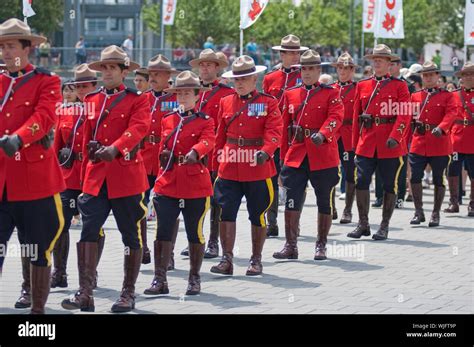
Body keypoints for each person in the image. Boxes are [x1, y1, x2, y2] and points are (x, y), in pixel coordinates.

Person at [61, 45, 150, 313]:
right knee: (88, 232)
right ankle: (85, 292)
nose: (108, 72)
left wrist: (117, 147)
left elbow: (140, 128)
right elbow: (87, 137)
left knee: (130, 237)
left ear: (124, 71)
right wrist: (88, 157)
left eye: (113, 68)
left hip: (126, 176)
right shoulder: (92, 100)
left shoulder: (138, 99)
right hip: (96, 177)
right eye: (104, 68)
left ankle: (128, 293)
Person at [0, 18, 65, 313]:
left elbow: (44, 117)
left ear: (27, 48)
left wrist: (19, 137)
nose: (4, 51)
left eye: (11, 45)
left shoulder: (46, 80)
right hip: (2, 182)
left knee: (38, 249)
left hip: (34, 181)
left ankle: (37, 312)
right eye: (1, 46)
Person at [144, 71, 215, 296]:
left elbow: (208, 140)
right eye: (180, 93)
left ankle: (194, 279)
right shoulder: (168, 120)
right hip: (169, 181)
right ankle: (160, 279)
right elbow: (160, 151)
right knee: (162, 231)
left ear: (197, 96)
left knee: (195, 232)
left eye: (187, 92)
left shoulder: (205, 120)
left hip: (195, 183)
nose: (183, 96)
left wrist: (196, 151)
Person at [211, 55, 282, 276]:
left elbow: (274, 132)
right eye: (236, 79)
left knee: (257, 214)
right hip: (230, 166)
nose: (239, 83)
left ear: (255, 78)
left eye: (244, 78)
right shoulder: (225, 102)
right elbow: (219, 136)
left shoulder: (268, 103)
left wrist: (266, 152)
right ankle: (227, 259)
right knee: (226, 212)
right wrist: (215, 163)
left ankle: (256, 259)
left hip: (257, 166)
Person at [273, 50, 343, 260]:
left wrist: (323, 133)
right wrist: (283, 158)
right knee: (292, 199)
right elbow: (284, 127)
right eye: (304, 68)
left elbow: (336, 117)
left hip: (323, 153)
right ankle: (290, 246)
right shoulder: (291, 94)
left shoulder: (331, 93)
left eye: (311, 68)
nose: (307, 73)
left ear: (319, 70)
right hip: (297, 154)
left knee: (324, 200)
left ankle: (321, 245)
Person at [348, 44, 410, 241]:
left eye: (381, 59)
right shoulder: (363, 85)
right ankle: (363, 223)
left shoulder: (400, 86)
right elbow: (356, 115)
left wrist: (396, 136)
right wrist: (354, 145)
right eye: (374, 59)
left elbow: (404, 115)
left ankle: (384, 225)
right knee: (362, 181)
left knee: (389, 185)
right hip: (367, 142)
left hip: (389, 143)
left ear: (389, 63)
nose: (377, 62)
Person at [179, 49, 234, 259]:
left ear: (217, 67)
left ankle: (213, 242)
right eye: (202, 64)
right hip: (190, 155)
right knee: (192, 199)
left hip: (214, 154)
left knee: (216, 200)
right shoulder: (190, 91)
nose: (204, 68)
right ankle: (195, 238)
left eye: (209, 65)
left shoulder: (226, 93)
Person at [52, 64, 103, 289]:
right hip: (68, 175)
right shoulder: (64, 112)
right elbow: (56, 146)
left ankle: (90, 273)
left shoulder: (101, 109)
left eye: (85, 86)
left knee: (93, 226)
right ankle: (59, 273)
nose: (80, 91)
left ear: (94, 86)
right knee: (59, 223)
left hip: (92, 175)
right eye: (77, 86)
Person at [263, 34, 308, 237]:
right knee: (271, 178)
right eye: (291, 52)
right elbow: (263, 106)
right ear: (282, 54)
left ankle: (294, 221)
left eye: (298, 52)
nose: (296, 56)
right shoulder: (270, 78)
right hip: (273, 136)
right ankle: (271, 221)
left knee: (296, 181)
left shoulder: (304, 76)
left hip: (296, 136)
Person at [141, 54, 179, 267]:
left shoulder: (176, 98)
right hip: (144, 157)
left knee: (167, 208)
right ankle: (142, 248)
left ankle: (168, 252)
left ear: (168, 76)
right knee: (139, 205)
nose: (153, 77)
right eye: (151, 74)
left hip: (167, 158)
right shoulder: (142, 99)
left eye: (158, 74)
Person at [409, 62, 457, 227]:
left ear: (438, 76)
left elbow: (452, 113)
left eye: (431, 74)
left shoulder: (447, 95)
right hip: (418, 142)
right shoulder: (415, 96)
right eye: (425, 75)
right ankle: (418, 211)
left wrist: (442, 128)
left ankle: (435, 213)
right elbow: (408, 118)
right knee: (415, 176)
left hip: (439, 143)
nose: (428, 78)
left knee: (438, 178)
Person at [330, 53, 358, 224]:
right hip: (333, 134)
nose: (342, 71)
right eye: (339, 67)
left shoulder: (357, 88)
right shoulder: (331, 88)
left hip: (349, 134)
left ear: (352, 70)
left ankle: (347, 210)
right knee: (331, 172)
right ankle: (331, 206)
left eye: (346, 68)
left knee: (350, 173)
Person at [445, 62, 474, 217]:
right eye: (465, 74)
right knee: (452, 170)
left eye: (471, 74)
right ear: (461, 77)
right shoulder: (454, 95)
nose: (468, 77)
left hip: (473, 140)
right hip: (455, 138)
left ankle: (473, 204)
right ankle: (453, 202)